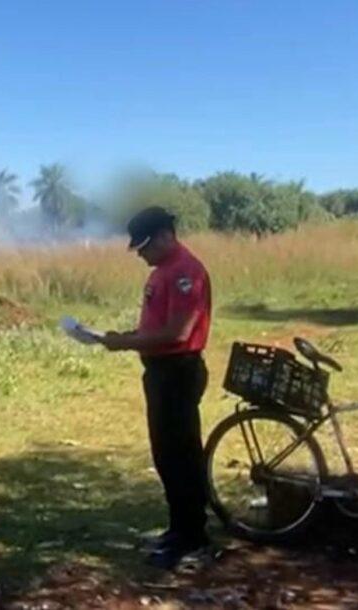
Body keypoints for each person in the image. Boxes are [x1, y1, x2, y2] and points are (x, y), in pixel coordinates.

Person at [99, 206, 214, 570]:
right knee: (165, 454)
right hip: (159, 372)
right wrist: (129, 337)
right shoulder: (163, 271)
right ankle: (178, 528)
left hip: (178, 371)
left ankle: (194, 536)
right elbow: (156, 326)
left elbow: (178, 333)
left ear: (166, 235)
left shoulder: (186, 272)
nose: (141, 254)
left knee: (182, 454)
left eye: (146, 246)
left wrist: (127, 343)